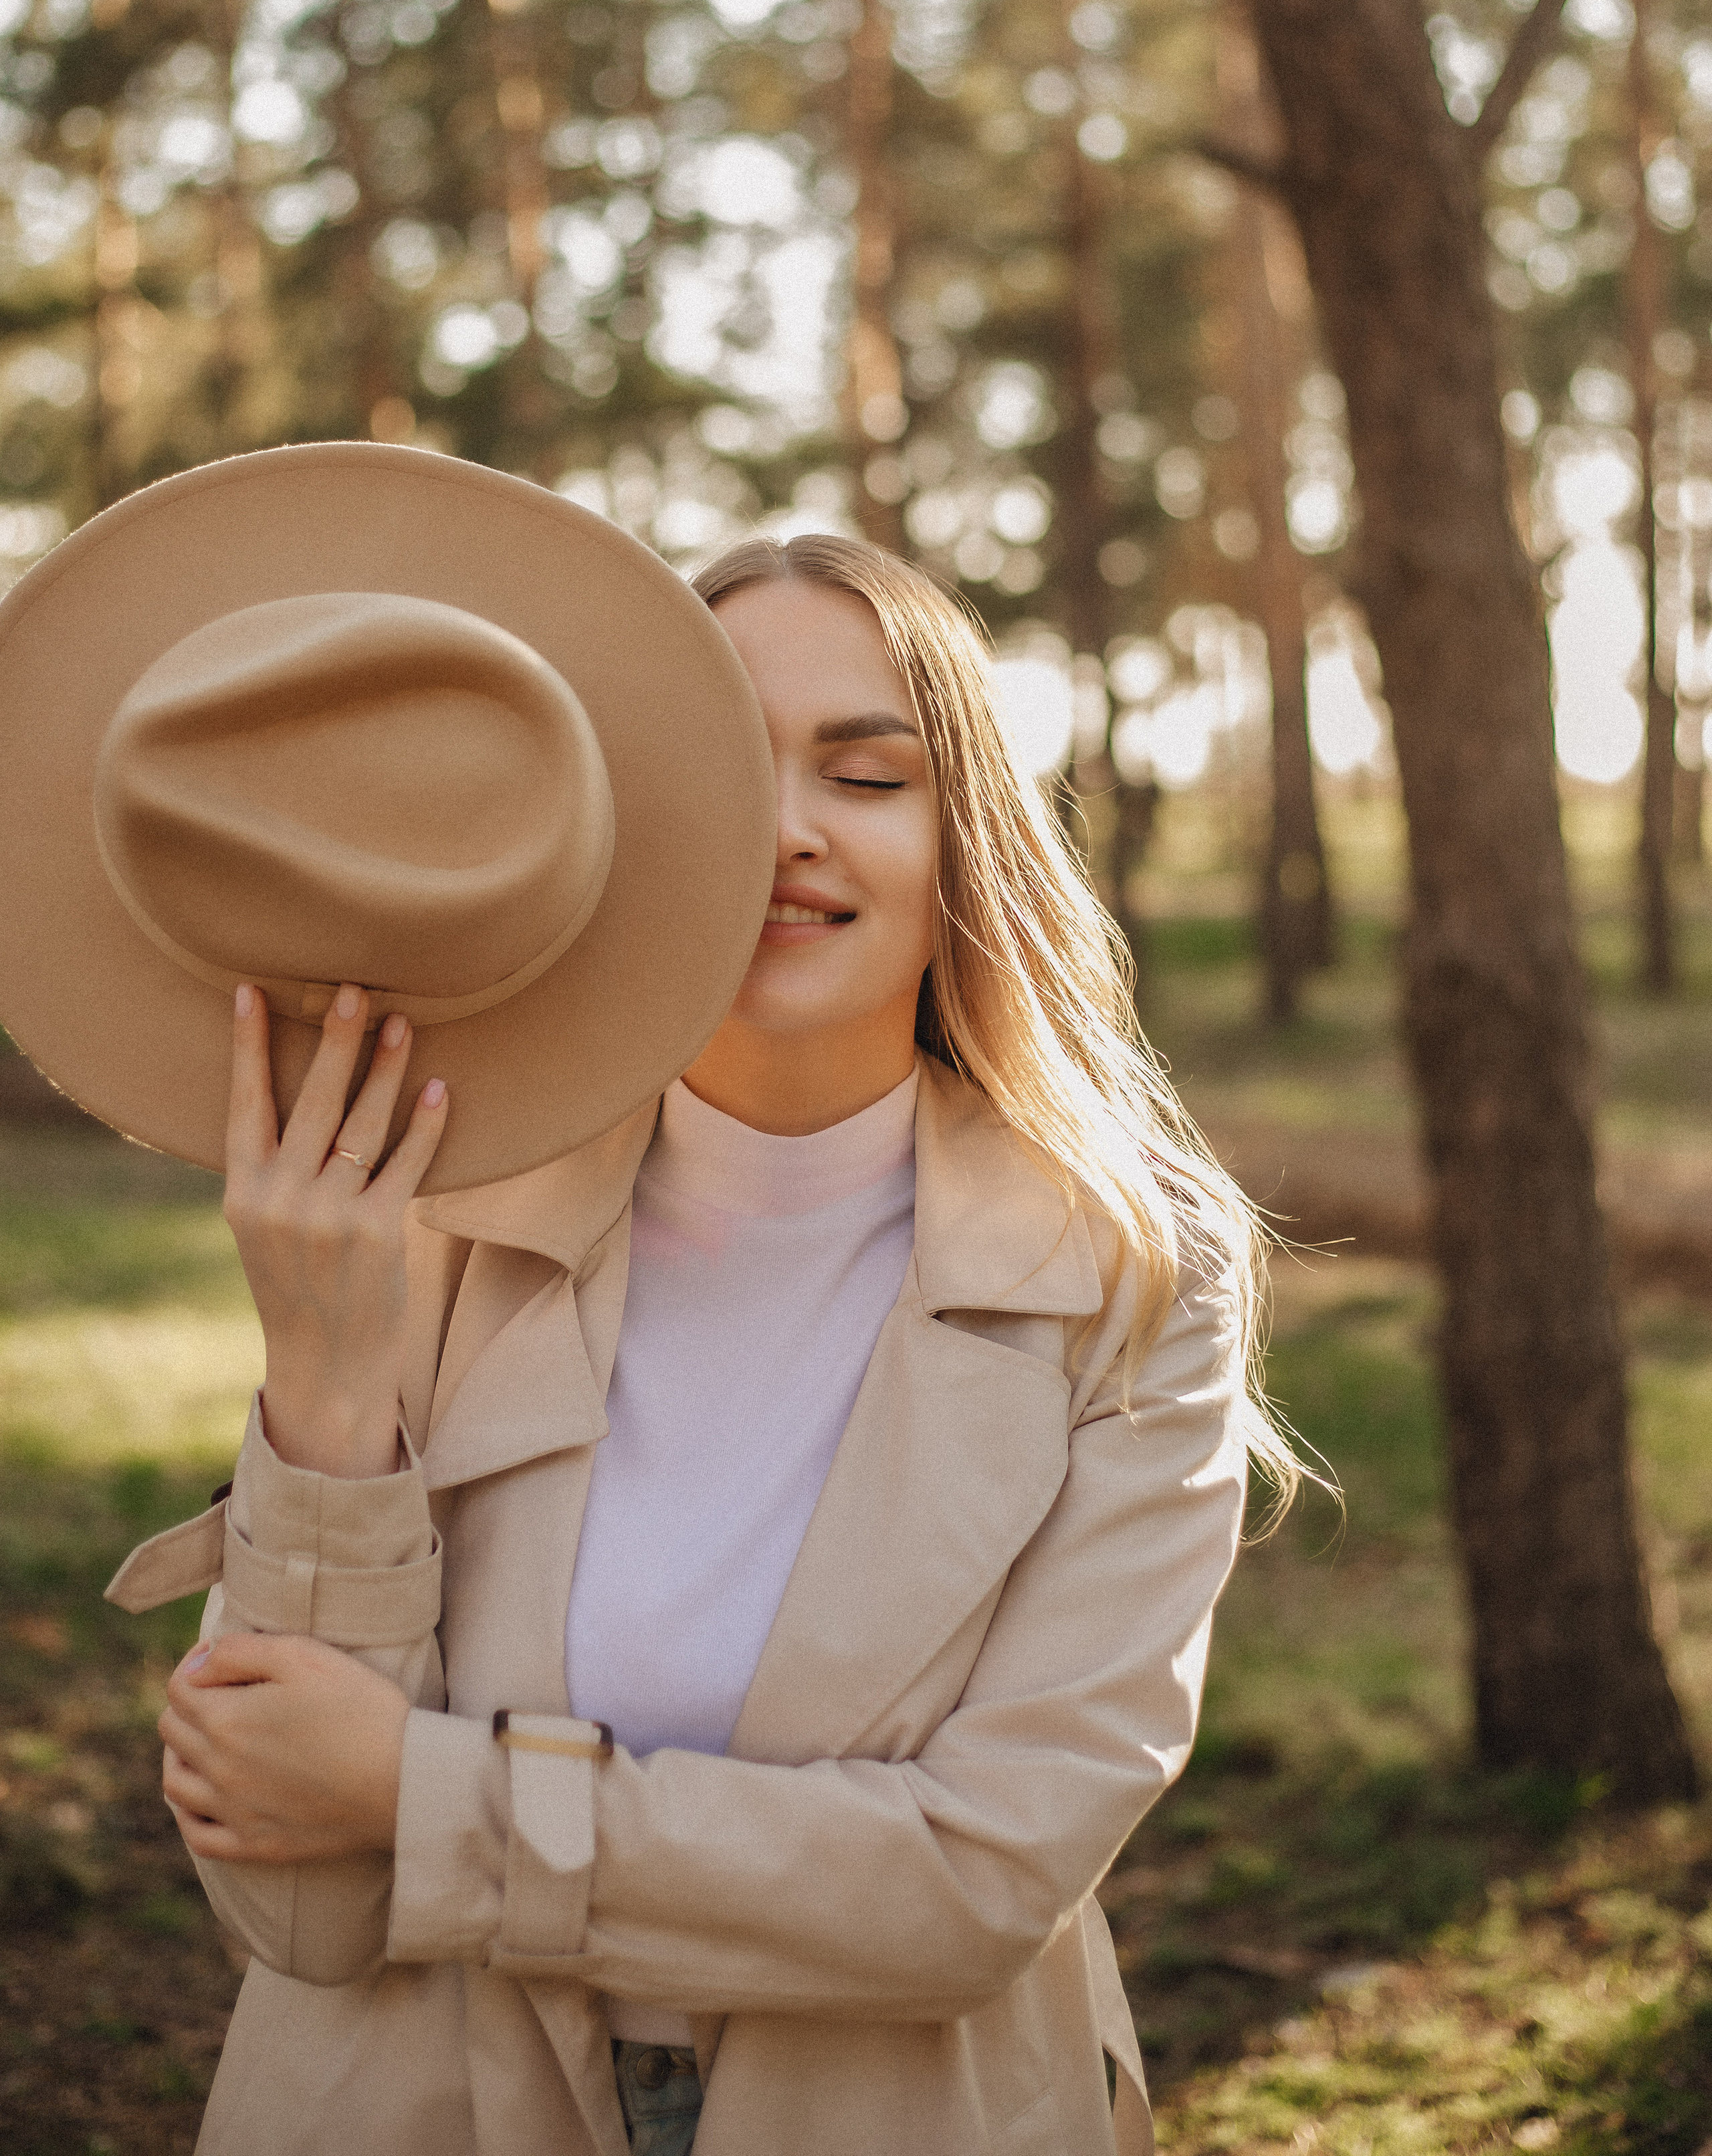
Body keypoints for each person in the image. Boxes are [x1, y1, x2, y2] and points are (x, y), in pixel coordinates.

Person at [138, 528, 1306, 2156]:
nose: (783, 832)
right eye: (717, 769)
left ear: (965, 837)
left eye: (868, 776)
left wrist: (426, 1798)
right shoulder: (429, 1212)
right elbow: (294, 1909)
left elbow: (980, 1878)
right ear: (622, 827)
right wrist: (323, 1368)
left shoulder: (1128, 1275)